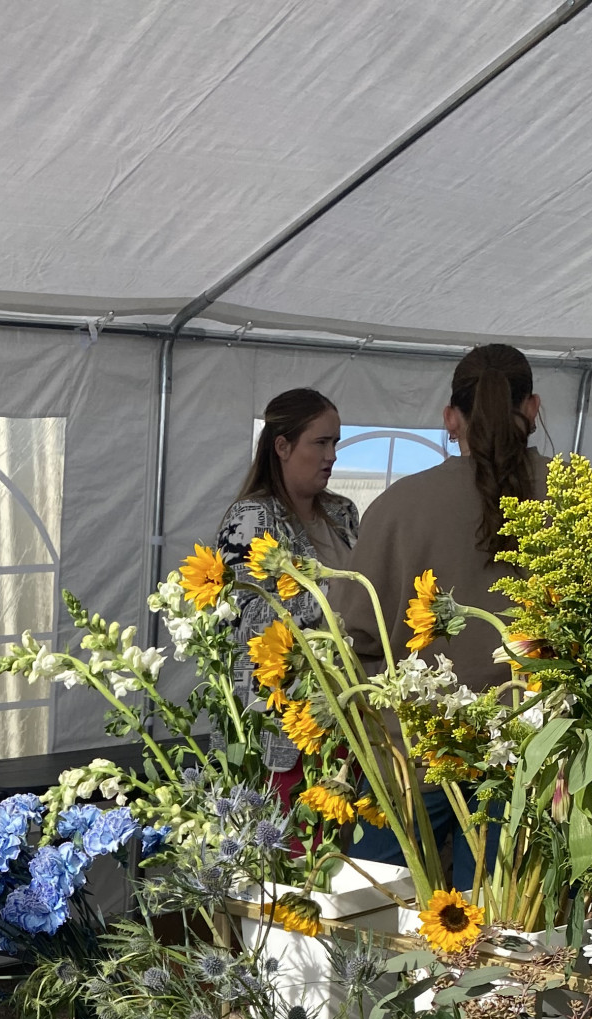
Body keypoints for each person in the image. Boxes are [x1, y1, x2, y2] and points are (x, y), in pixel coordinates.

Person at [337, 344, 550, 884]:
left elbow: (355, 638)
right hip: (531, 762)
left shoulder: (399, 505)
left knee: (375, 918)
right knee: (502, 929)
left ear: (451, 418)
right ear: (533, 409)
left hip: (412, 757)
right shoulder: (578, 500)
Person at [215, 388, 360, 797]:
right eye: (320, 442)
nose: (331, 456)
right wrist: (333, 596)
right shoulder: (251, 517)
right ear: (282, 446)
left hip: (346, 714)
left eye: (335, 443)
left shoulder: (343, 512)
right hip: (280, 726)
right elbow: (242, 621)